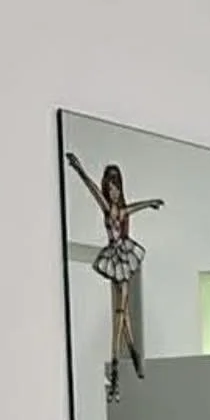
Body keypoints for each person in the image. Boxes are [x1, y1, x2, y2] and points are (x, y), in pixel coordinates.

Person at [66, 153, 164, 400]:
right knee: (121, 311)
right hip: (116, 257)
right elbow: (92, 189)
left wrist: (150, 203)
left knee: (123, 311)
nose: (113, 192)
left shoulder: (122, 210)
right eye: (110, 189)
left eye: (116, 188)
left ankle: (127, 358)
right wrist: (79, 169)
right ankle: (122, 361)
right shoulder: (108, 208)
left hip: (124, 255)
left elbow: (134, 207)